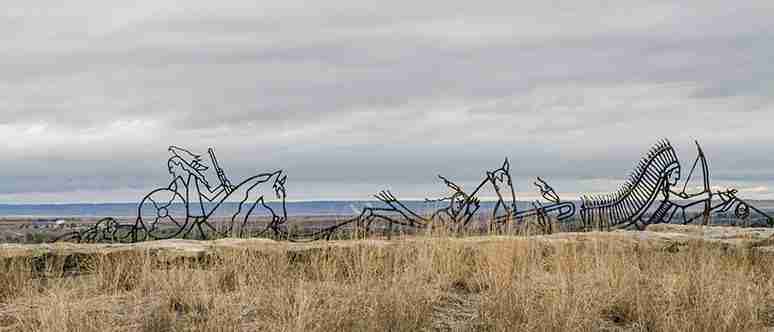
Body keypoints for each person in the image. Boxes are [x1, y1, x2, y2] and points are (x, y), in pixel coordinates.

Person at [167, 146, 228, 217]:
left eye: (171, 167)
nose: (170, 171)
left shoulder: (193, 179)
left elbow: (210, 196)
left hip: (196, 214)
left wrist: (223, 187)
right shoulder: (189, 179)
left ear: (179, 165)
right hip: (195, 214)